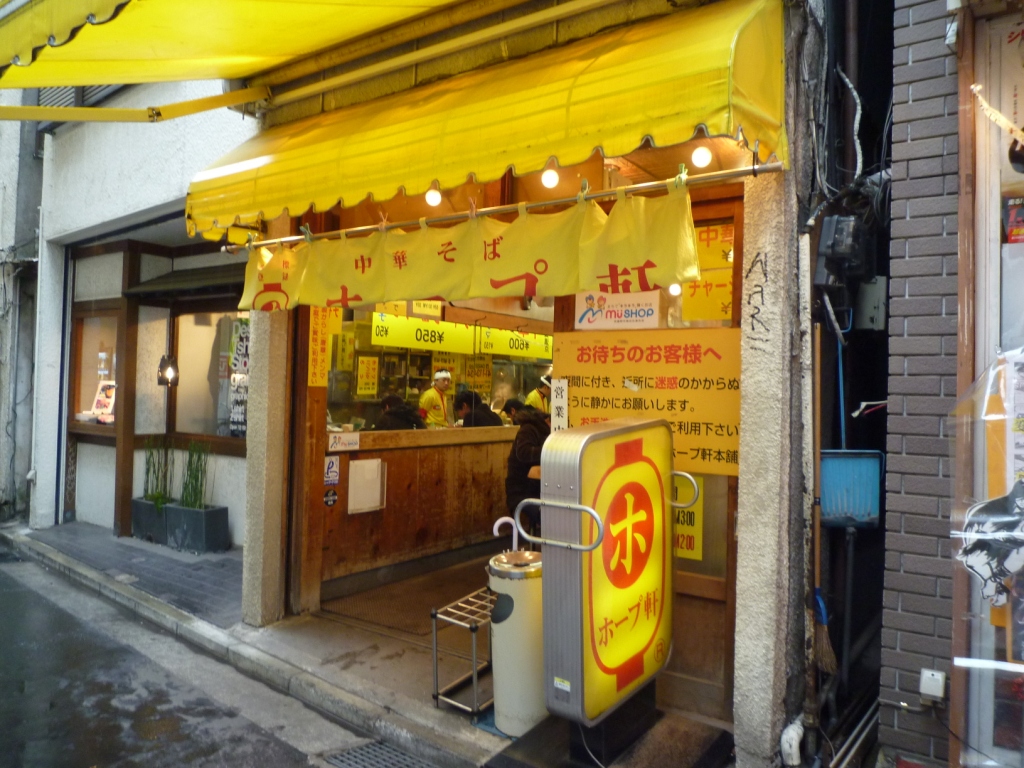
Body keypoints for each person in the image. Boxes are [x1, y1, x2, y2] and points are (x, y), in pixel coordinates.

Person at [505, 405, 551, 535]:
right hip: (522, 491)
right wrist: (553, 450)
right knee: (552, 515)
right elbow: (524, 453)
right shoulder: (529, 429)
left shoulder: (546, 431)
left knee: (566, 512)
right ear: (548, 420)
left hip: (544, 489)